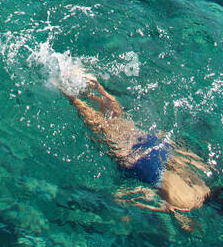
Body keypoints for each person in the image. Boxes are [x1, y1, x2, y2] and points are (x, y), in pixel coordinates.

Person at [65, 75, 212, 230]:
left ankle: (96, 86)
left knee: (118, 120)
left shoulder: (203, 185)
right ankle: (68, 93)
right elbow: (150, 197)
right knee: (100, 128)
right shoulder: (184, 207)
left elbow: (183, 156)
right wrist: (126, 202)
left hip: (156, 147)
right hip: (141, 166)